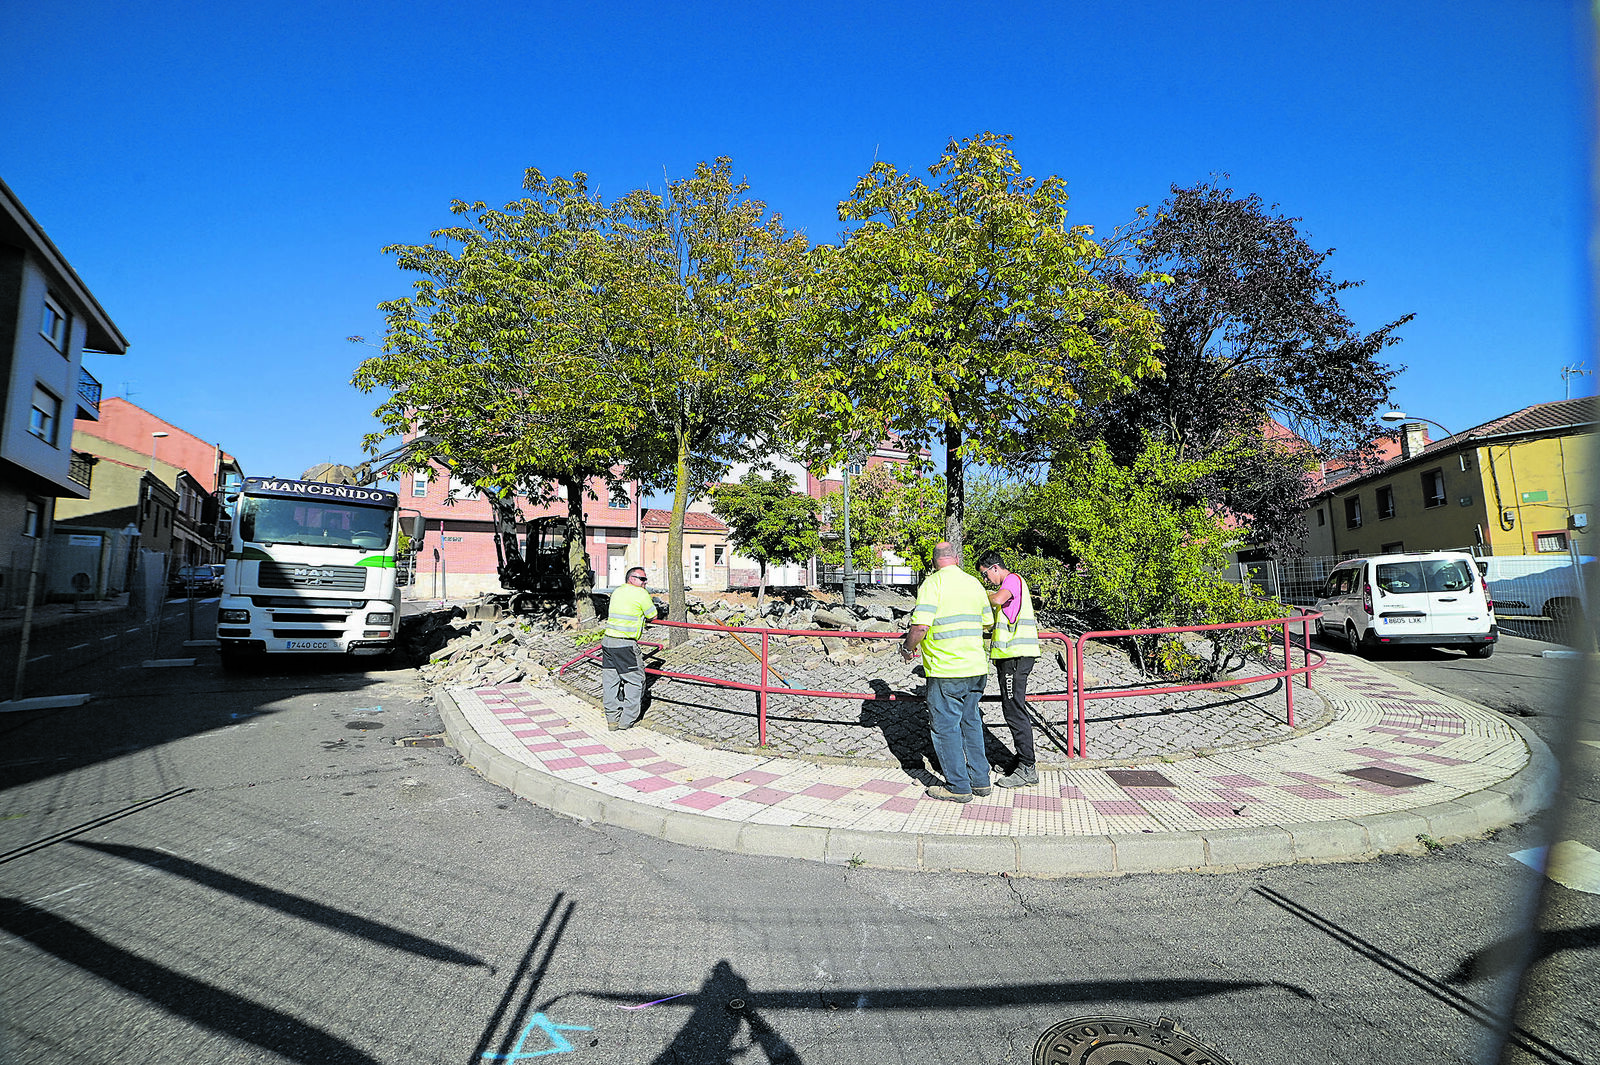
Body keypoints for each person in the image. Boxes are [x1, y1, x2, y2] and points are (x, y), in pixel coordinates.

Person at [901, 542, 994, 803]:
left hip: (946, 669)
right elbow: (988, 621)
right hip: (976, 668)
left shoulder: (932, 584)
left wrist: (907, 648)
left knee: (946, 728)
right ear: (956, 558)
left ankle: (958, 786)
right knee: (971, 723)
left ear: (934, 561)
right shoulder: (974, 583)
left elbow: (920, 627)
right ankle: (981, 781)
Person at [978, 552, 1041, 788]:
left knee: (1014, 710)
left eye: (985, 574)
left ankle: (1027, 766)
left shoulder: (1012, 580)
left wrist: (979, 596)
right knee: (1012, 708)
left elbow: (997, 599)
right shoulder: (1010, 583)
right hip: (1010, 658)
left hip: (1015, 657)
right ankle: (1021, 760)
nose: (987, 580)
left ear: (995, 568)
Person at [602, 566, 657, 730]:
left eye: (645, 579)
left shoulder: (617, 591)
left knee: (610, 682)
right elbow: (652, 615)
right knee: (635, 681)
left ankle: (612, 720)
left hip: (608, 642)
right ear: (631, 578)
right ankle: (627, 721)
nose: (645, 583)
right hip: (625, 644)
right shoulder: (641, 593)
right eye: (642, 579)